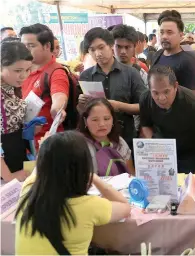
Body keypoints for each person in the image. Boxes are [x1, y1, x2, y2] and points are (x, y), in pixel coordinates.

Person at [15, 131, 130, 255]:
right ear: (83, 166)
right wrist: (94, 177)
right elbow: (125, 207)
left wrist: (45, 147)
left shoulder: (28, 190)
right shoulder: (88, 206)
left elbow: (41, 167)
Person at [78, 27, 146, 150]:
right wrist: (81, 104)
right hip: (96, 141)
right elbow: (82, 112)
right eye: (92, 50)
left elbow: (143, 106)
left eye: (101, 47)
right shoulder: (85, 76)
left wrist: (118, 106)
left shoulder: (131, 73)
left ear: (110, 46)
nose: (97, 54)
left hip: (125, 137)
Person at [139, 66, 195, 174]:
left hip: (189, 151)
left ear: (175, 86)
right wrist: (153, 146)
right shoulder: (145, 98)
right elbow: (145, 125)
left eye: (166, 92)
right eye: (155, 93)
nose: (161, 98)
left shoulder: (194, 104)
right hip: (162, 149)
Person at [20, 23, 69, 148]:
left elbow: (59, 95)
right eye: (23, 46)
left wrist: (57, 108)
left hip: (47, 143)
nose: (25, 50)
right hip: (24, 143)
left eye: (31, 46)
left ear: (47, 46)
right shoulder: (22, 70)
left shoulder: (56, 72)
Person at [1, 41, 33, 182]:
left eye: (27, 70)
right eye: (17, 71)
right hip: (5, 171)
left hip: (17, 158)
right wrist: (8, 176)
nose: (24, 76)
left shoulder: (11, 87)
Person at [78, 98, 135, 175]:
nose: (102, 124)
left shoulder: (119, 142)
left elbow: (131, 175)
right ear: (85, 121)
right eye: (95, 120)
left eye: (106, 119)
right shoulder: (78, 145)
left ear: (113, 120)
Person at [151, 14, 195, 92]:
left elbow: (192, 96)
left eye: (169, 32)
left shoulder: (187, 61)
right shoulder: (157, 54)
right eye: (162, 32)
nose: (164, 36)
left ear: (181, 35)